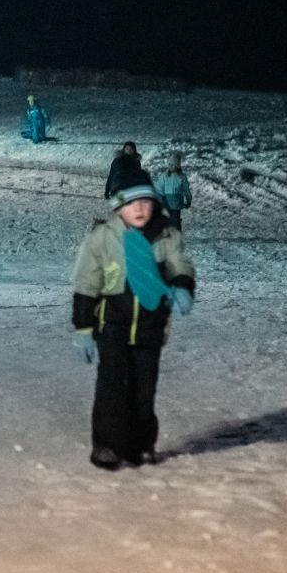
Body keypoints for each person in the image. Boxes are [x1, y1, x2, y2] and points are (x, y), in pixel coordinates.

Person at [71, 166, 196, 470]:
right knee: (112, 386)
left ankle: (140, 445)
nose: (139, 209)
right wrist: (84, 328)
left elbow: (181, 264)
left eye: (145, 202)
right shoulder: (102, 238)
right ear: (118, 207)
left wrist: (182, 286)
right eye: (131, 203)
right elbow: (86, 282)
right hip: (112, 325)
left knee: (143, 388)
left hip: (151, 326)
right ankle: (108, 446)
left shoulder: (166, 234)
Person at [155, 152, 193, 231]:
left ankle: (178, 235)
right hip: (166, 203)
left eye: (173, 165)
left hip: (176, 204)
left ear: (177, 166)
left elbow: (186, 190)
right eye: (169, 164)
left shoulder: (181, 177)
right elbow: (159, 189)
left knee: (176, 222)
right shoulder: (164, 176)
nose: (170, 166)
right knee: (167, 222)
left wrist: (188, 200)